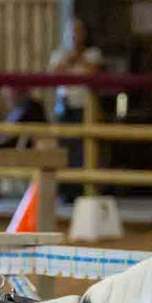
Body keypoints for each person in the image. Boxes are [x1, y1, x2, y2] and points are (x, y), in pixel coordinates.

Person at [48, 16, 102, 202]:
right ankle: (65, 190)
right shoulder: (58, 54)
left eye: (78, 31)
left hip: (84, 107)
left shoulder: (93, 53)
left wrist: (74, 60)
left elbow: (92, 70)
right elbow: (54, 73)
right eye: (72, 31)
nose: (75, 35)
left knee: (82, 149)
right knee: (64, 148)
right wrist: (72, 60)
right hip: (64, 106)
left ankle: (82, 189)